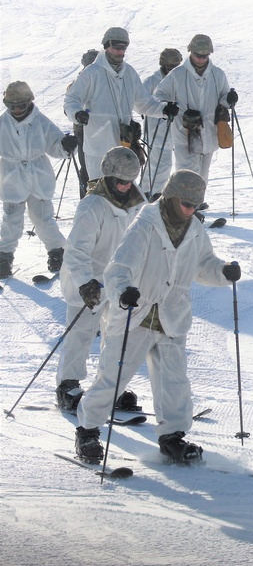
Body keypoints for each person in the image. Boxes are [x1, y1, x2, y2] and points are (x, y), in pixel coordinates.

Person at [74, 169, 240, 464]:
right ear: (172, 197)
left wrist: (223, 271)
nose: (190, 211)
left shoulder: (195, 230)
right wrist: (124, 291)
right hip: (135, 313)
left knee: (174, 381)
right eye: (186, 204)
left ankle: (172, 436)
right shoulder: (146, 226)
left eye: (195, 206)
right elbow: (118, 268)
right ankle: (87, 430)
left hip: (171, 315)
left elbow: (203, 263)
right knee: (113, 376)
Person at [55, 147, 147, 412]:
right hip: (89, 278)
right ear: (108, 176)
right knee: (82, 331)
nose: (125, 186)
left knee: (117, 333)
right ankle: (67, 385)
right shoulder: (93, 204)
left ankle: (109, 386)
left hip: (118, 279)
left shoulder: (138, 202)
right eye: (120, 181)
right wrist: (85, 282)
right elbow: (75, 250)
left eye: (129, 181)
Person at [64, 27, 177, 187]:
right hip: (98, 147)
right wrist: (77, 113)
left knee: (124, 194)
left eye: (124, 47)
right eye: (117, 47)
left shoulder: (129, 73)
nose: (120, 51)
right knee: (100, 192)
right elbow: (71, 99)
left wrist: (163, 109)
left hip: (124, 143)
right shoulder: (92, 73)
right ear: (106, 46)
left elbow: (144, 103)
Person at [0, 81, 74, 278]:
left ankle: (57, 252)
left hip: (38, 174)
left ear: (29, 102)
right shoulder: (2, 123)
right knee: (11, 219)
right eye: (12, 106)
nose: (16, 110)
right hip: (11, 176)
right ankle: (4, 257)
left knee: (43, 218)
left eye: (21, 106)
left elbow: (54, 143)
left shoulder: (40, 121)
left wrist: (65, 145)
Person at [154, 34, 237, 196]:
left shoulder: (217, 74)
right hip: (184, 133)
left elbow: (224, 98)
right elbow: (159, 94)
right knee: (187, 173)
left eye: (204, 56)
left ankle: (195, 205)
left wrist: (230, 99)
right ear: (190, 52)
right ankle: (182, 208)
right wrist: (168, 107)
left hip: (209, 133)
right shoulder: (177, 74)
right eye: (198, 55)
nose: (201, 59)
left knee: (203, 174)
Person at [142, 48, 183, 198]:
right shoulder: (152, 82)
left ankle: (152, 192)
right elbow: (142, 103)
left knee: (177, 164)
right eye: (170, 66)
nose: (173, 69)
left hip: (179, 128)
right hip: (158, 130)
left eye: (176, 66)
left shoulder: (181, 78)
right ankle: (152, 193)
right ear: (163, 65)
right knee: (160, 163)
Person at [71, 49, 99, 197]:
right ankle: (86, 201)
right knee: (86, 169)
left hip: (99, 131)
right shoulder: (78, 83)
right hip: (83, 133)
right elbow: (69, 108)